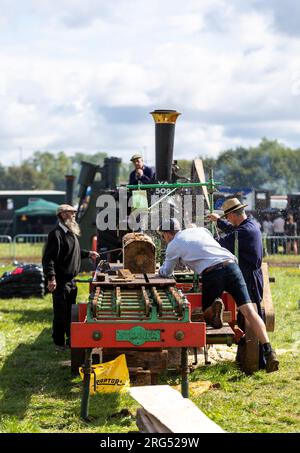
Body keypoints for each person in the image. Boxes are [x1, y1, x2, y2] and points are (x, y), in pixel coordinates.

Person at [158, 219, 279, 373]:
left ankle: (215, 310)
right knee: (249, 312)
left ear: (168, 234)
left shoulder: (173, 245)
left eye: (163, 236)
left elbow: (166, 272)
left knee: (206, 315)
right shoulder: (200, 230)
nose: (164, 239)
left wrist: (159, 271)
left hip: (213, 272)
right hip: (232, 266)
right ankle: (269, 351)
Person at [42, 204, 99, 351]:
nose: (73, 215)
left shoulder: (70, 233)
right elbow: (49, 259)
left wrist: (88, 254)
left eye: (74, 213)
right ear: (62, 215)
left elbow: (74, 251)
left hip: (71, 281)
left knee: (70, 313)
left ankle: (69, 340)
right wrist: (51, 278)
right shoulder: (55, 234)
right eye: (70, 213)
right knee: (61, 313)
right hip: (60, 281)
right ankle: (58, 343)